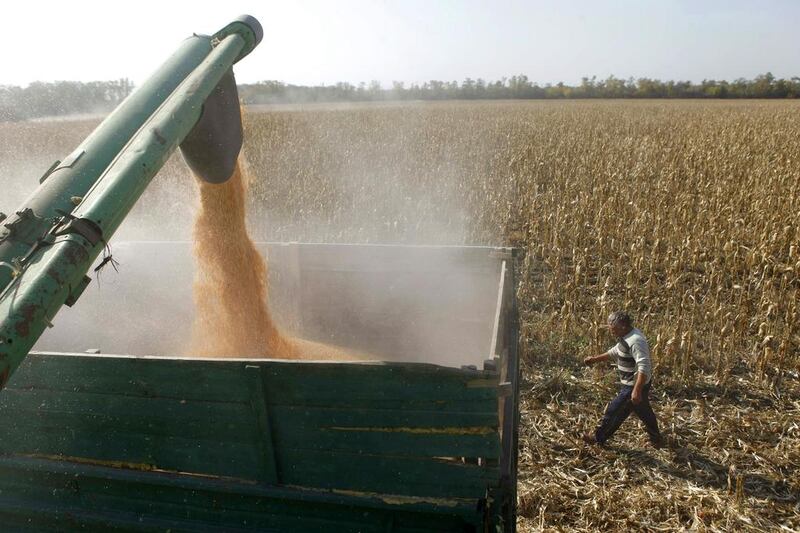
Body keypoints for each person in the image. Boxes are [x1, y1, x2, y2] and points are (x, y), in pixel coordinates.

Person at [582, 310, 664, 448]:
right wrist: (595, 359)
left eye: (613, 329)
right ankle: (656, 438)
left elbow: (644, 367)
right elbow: (616, 351)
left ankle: (598, 439)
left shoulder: (636, 341)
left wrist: (636, 390)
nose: (611, 331)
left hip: (634, 385)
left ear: (623, 326)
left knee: (614, 411)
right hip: (636, 385)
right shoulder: (627, 336)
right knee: (644, 412)